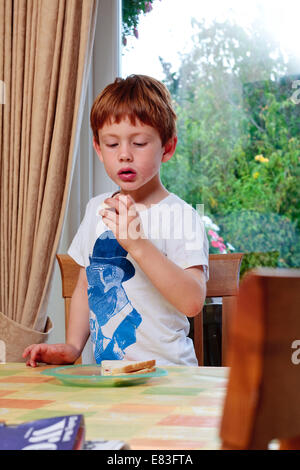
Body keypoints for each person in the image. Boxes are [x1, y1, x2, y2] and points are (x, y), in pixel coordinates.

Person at [23, 74, 209, 367]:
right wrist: (73, 347)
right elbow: (86, 282)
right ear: (98, 148)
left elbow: (192, 301)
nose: (124, 155)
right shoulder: (97, 208)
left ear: (168, 148)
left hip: (171, 378)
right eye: (112, 144)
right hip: (108, 379)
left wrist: (137, 244)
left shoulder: (182, 216)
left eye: (139, 142)